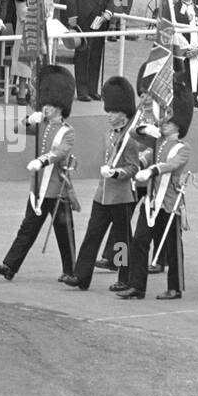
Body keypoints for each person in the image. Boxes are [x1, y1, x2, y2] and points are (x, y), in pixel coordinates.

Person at [0, 65, 77, 282]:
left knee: (65, 235)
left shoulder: (67, 131)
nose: (45, 107)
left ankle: (72, 271)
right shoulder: (42, 125)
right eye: (44, 104)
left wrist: (41, 160)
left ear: (59, 107)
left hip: (57, 189)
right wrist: (30, 119)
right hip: (38, 189)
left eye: (49, 105)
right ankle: (10, 266)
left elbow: (60, 152)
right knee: (26, 229)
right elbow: (16, 129)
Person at [64, 76, 141, 293]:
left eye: (113, 112)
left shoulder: (131, 139)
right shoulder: (109, 135)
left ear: (124, 113)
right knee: (92, 235)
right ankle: (81, 275)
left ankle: (125, 277)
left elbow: (133, 168)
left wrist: (117, 173)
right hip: (103, 194)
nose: (109, 115)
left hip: (122, 195)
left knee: (121, 240)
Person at [118, 82, 194, 301]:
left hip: (170, 202)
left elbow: (171, 165)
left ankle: (175, 287)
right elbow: (133, 132)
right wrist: (144, 129)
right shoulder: (158, 142)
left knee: (172, 247)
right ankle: (136, 286)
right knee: (140, 241)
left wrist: (151, 171)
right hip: (153, 202)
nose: (164, 124)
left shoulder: (182, 147)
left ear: (178, 125)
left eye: (169, 121)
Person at [9, 0, 54, 106]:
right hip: (27, 25)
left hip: (43, 26)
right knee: (25, 59)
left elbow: (50, 1)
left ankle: (36, 91)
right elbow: (20, 5)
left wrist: (49, 15)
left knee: (41, 59)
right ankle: (21, 91)